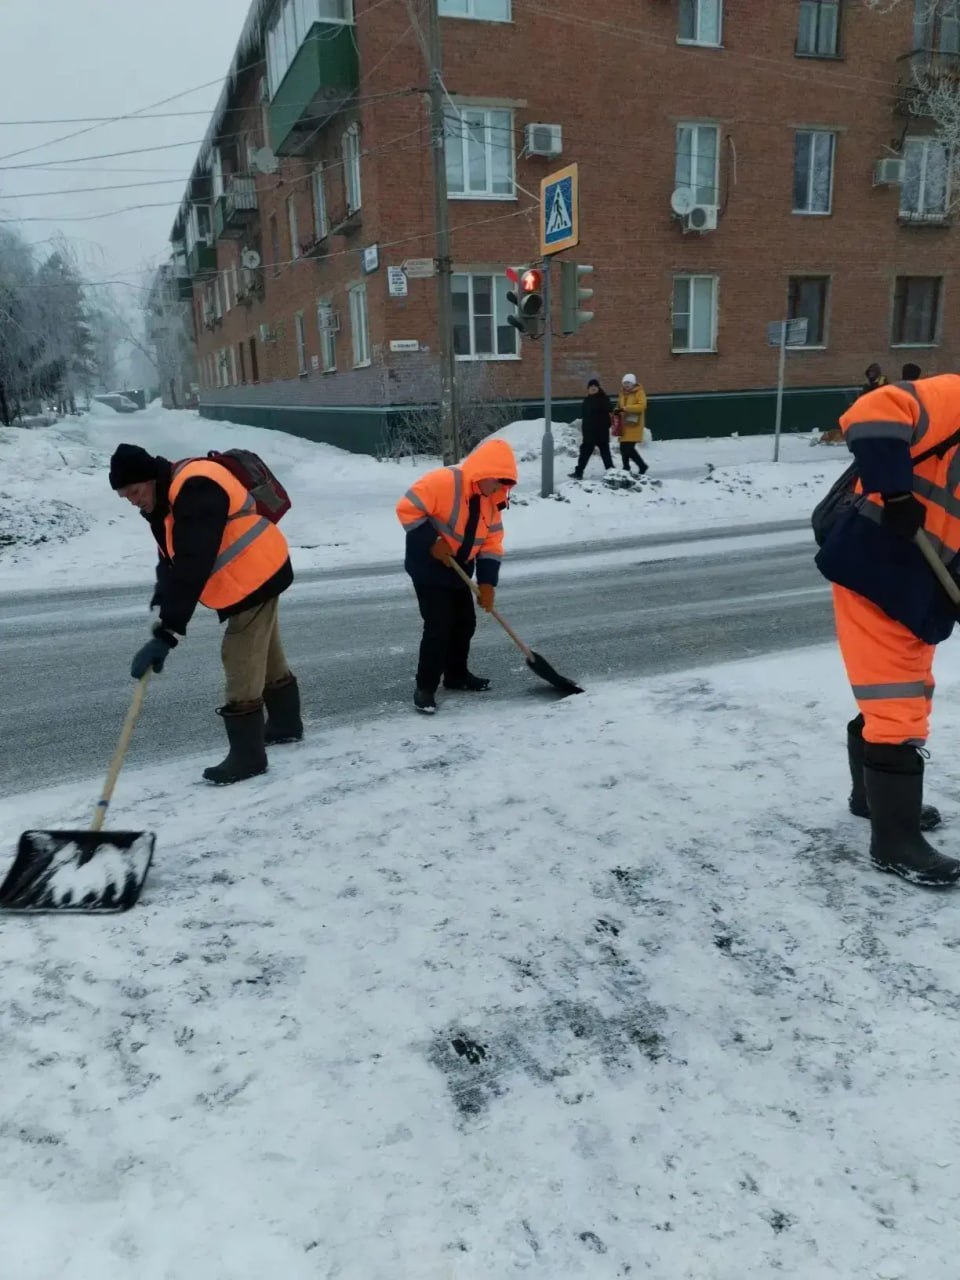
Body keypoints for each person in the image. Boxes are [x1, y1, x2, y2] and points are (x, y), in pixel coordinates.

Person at [815, 375, 960, 887]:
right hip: (875, 559)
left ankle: (871, 799)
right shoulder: (954, 400)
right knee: (896, 704)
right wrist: (895, 493)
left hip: (922, 584)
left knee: (908, 693)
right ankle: (894, 842)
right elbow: (875, 410)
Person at [109, 443, 302, 785]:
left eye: (135, 491)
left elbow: (193, 562)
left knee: (240, 655)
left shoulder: (195, 488)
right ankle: (286, 725)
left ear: (150, 478)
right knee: (265, 649)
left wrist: (168, 632)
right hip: (253, 571)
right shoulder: (169, 495)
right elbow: (173, 552)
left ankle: (248, 756)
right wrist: (164, 589)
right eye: (125, 497)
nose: (133, 501)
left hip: (256, 573)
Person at [396, 438, 518, 715]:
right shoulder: (444, 481)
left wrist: (487, 583)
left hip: (459, 567)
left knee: (464, 623)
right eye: (498, 482)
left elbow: (491, 542)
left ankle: (456, 675)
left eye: (504, 485)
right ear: (484, 472)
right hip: (428, 565)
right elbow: (406, 508)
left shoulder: (490, 500)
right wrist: (431, 541)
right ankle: (425, 686)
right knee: (439, 626)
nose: (500, 489)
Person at [569, 378, 614, 480]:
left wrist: (606, 426)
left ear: (598, 388)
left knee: (605, 454)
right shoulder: (586, 400)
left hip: (601, 432)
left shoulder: (604, 399)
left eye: (595, 386)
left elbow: (610, 412)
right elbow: (584, 416)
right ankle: (578, 473)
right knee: (584, 454)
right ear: (588, 389)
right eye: (591, 386)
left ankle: (612, 473)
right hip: (589, 433)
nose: (593, 388)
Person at [616, 374, 649, 475]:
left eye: (628, 383)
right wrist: (616, 411)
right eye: (625, 383)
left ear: (633, 383)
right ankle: (626, 467)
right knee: (623, 448)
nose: (626, 385)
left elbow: (642, 406)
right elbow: (619, 405)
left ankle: (642, 466)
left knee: (628, 448)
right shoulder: (622, 394)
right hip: (624, 425)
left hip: (634, 424)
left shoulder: (639, 392)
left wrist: (626, 408)